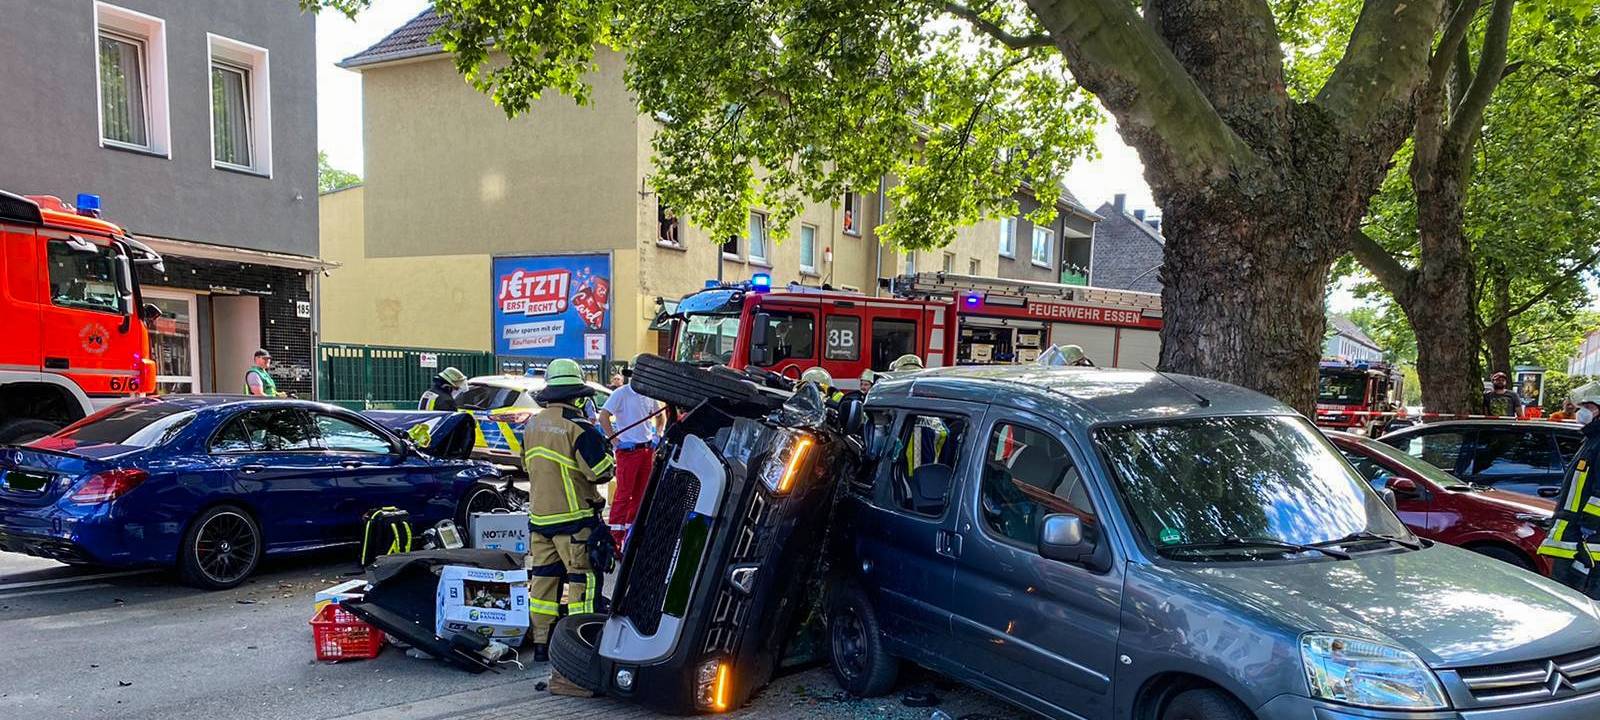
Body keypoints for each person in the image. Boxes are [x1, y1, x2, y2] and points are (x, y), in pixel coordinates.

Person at [522, 358, 615, 664]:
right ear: (577, 394)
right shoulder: (581, 429)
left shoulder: (531, 425)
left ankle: (540, 644)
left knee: (543, 582)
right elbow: (600, 473)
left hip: (540, 519)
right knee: (582, 583)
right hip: (575, 521)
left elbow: (528, 465)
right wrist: (607, 452)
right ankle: (580, 644)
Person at [1538, 397, 1600, 598]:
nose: (1582, 411)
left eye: (1590, 407)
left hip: (1585, 540)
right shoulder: (1591, 439)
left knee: (1579, 599)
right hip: (1571, 535)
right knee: (1565, 595)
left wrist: (1588, 526)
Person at [598, 365, 663, 550]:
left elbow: (660, 417)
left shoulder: (649, 395)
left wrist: (657, 434)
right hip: (628, 451)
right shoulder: (621, 394)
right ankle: (616, 537)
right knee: (624, 494)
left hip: (646, 450)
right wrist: (615, 441)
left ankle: (630, 534)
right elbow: (603, 416)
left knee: (641, 495)